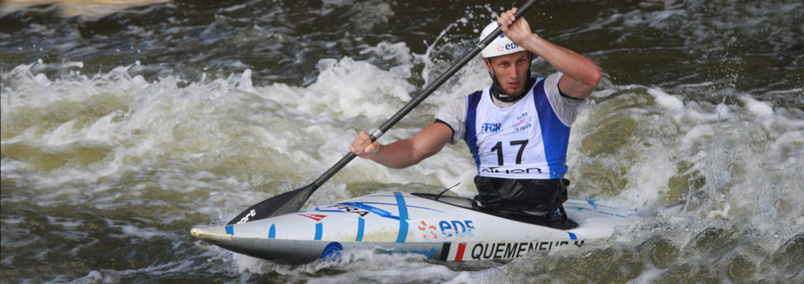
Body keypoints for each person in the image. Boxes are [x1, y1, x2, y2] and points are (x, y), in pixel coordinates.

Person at [349, 8, 601, 228]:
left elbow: (591, 76)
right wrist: (377, 152)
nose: (514, 74)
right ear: (488, 65)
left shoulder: (552, 94)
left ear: (530, 57)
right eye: (504, 64)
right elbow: (414, 149)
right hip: (491, 215)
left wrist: (529, 40)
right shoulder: (466, 108)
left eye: (521, 61)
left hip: (544, 218)